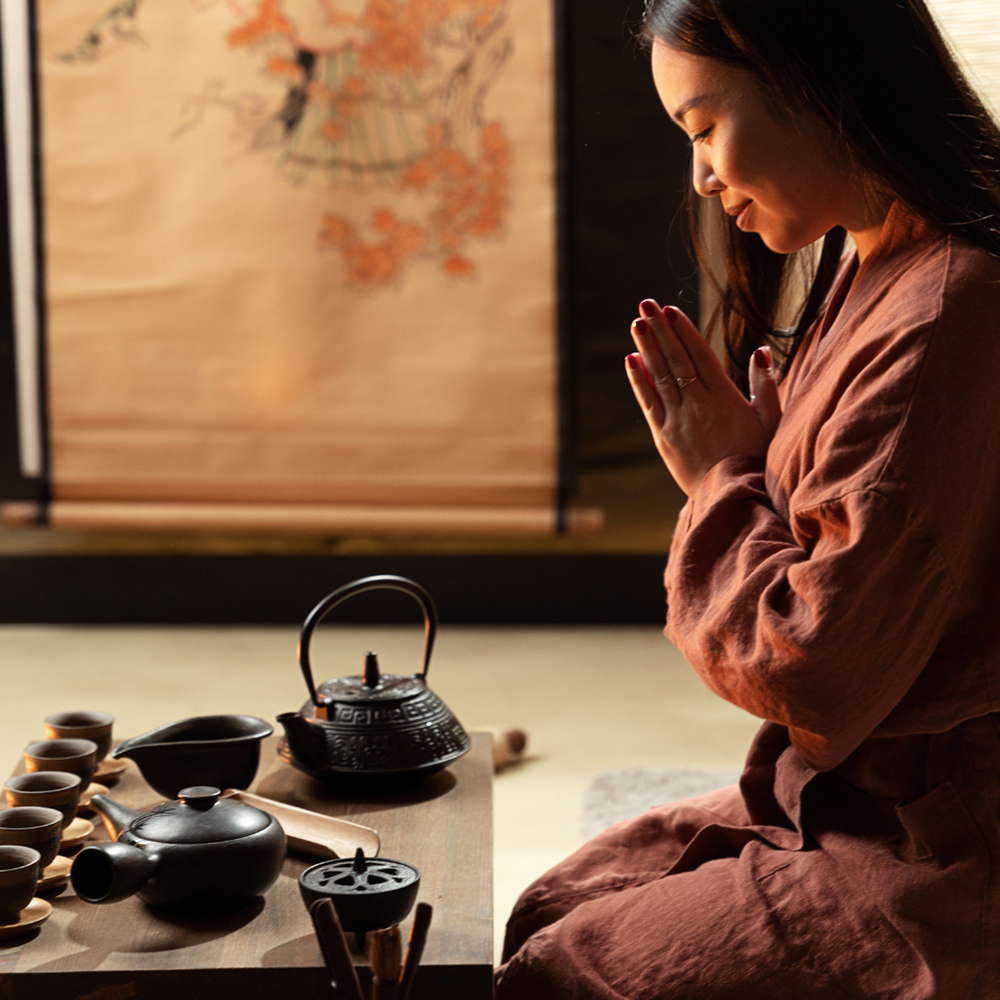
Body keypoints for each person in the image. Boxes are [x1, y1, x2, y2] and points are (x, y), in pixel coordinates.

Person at [494, 0, 1000, 996]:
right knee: (551, 903)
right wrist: (769, 460)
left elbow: (814, 668)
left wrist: (722, 481)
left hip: (944, 839)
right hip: (849, 792)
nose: (701, 173)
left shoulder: (949, 307)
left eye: (704, 126)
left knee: (563, 974)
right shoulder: (876, 251)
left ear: (808, 79)